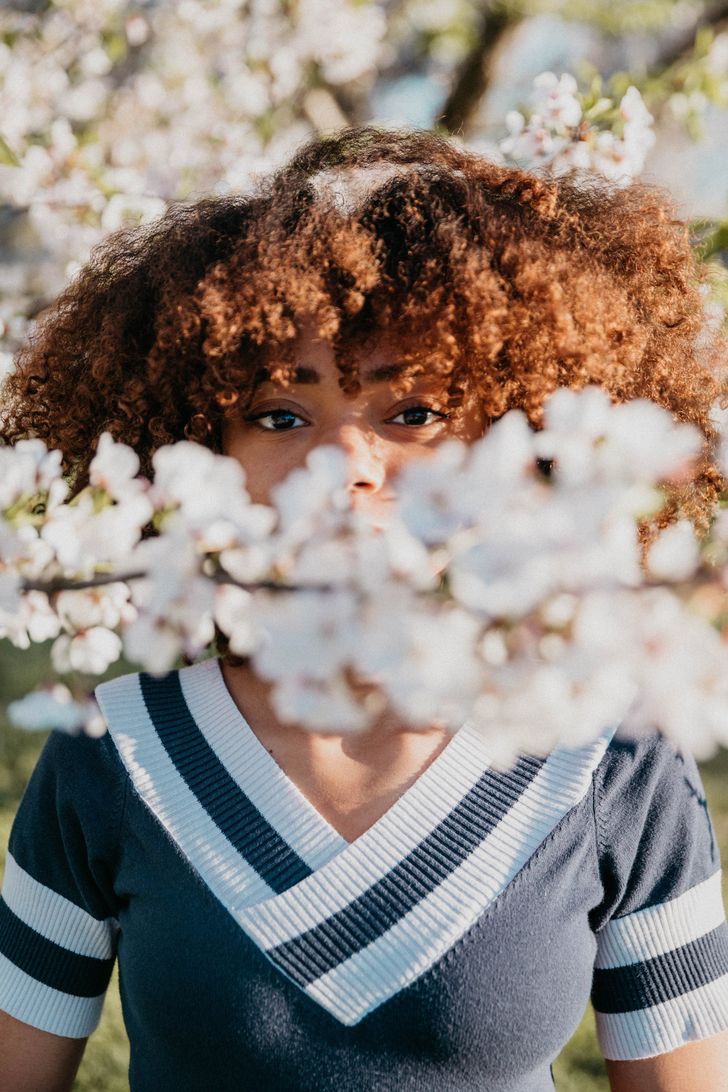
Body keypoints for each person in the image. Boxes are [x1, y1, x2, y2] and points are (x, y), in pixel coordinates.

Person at [0, 126, 727, 1092]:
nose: (347, 464)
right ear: (201, 448)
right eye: (280, 415)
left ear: (525, 439)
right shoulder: (111, 754)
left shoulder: (611, 762)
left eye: (413, 412)